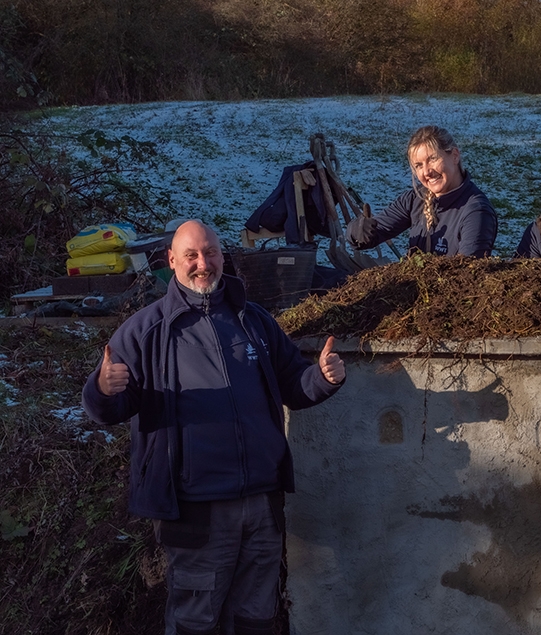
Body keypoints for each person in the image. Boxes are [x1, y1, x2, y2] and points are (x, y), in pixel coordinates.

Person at [82, 220, 346, 635]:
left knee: (256, 617)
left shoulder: (253, 320)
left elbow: (293, 382)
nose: (203, 263)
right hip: (195, 510)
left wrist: (323, 378)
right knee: (195, 621)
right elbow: (107, 408)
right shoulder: (147, 331)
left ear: (223, 256)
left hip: (261, 502)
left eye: (211, 253)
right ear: (171, 261)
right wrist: (101, 388)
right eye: (191, 255)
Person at [346, 125, 498, 257]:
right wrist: (357, 231)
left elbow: (470, 275)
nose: (426, 172)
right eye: (418, 165)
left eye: (432, 159)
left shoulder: (476, 211)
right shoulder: (415, 198)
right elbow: (372, 233)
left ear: (455, 156)